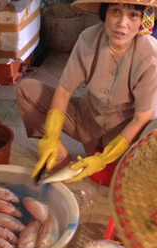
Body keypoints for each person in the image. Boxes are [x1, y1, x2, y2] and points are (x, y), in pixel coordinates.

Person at [16, 0, 157, 185]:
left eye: (133, 15)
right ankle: (61, 160)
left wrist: (104, 159)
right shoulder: (87, 39)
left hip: (125, 134)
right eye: (116, 11)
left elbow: (141, 118)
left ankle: (117, 160)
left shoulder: (150, 55)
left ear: (143, 21)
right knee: (26, 90)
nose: (122, 23)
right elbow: (64, 90)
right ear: (104, 14)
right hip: (86, 121)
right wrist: (51, 136)